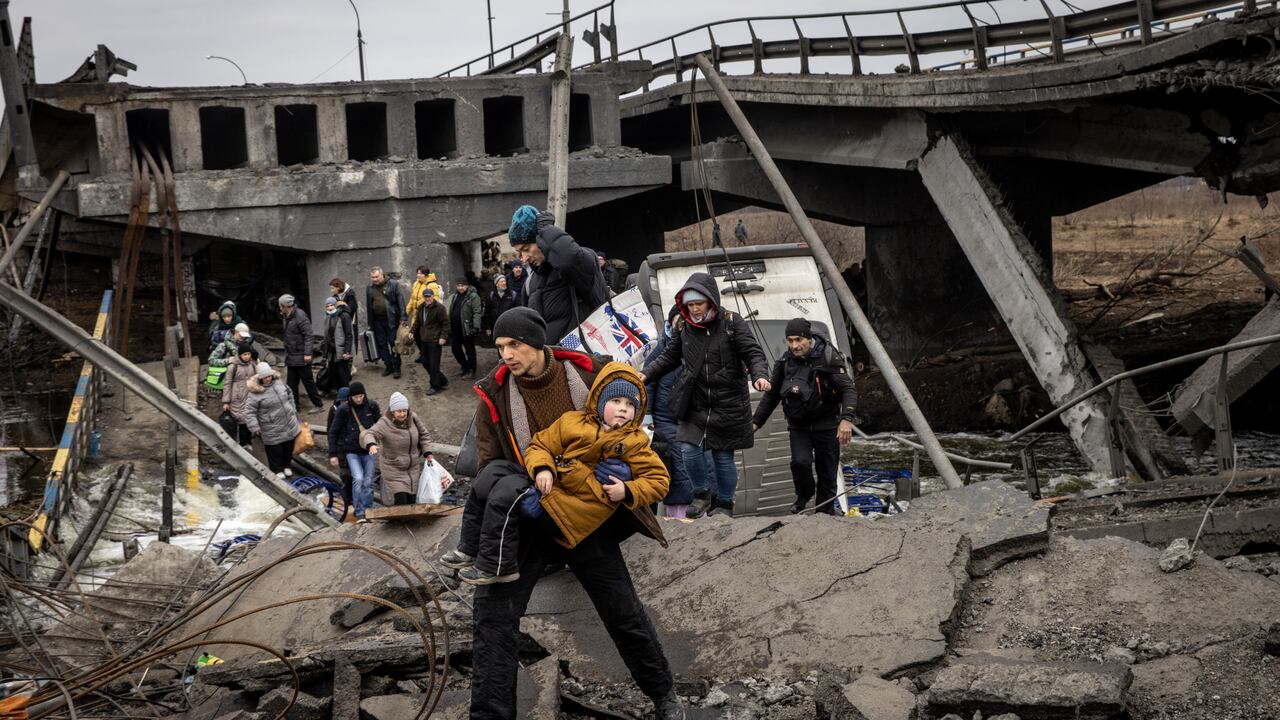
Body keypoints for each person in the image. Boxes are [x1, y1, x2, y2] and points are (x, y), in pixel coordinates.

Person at [444, 306, 683, 720]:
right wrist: (524, 486)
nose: (507, 355)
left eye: (514, 345)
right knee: (493, 613)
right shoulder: (495, 394)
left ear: (537, 342)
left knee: (621, 609)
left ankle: (664, 695)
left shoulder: (589, 374)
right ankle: (490, 714)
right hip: (530, 517)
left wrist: (623, 471)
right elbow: (488, 464)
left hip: (585, 516)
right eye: (500, 347)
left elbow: (637, 426)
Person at [442, 360, 668, 585]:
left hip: (575, 508)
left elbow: (660, 481)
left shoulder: (634, 443)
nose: (622, 408)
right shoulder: (574, 422)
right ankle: (468, 548)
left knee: (507, 495)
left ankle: (496, 566)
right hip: (552, 486)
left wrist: (627, 489)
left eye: (630, 404)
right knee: (490, 474)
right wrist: (543, 468)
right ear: (599, 399)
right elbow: (540, 445)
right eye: (616, 400)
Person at [640, 272, 771, 519]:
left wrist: (759, 375)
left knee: (723, 457)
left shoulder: (732, 322)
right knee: (689, 450)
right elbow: (668, 357)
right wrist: (645, 375)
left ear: (711, 301)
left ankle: (725, 502)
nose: (695, 309)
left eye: (698, 304)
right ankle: (701, 494)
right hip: (696, 402)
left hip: (728, 403)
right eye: (690, 305)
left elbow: (753, 352)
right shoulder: (685, 327)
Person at [752, 317, 858, 515]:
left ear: (808, 339)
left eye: (799, 340)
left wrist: (846, 419)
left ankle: (824, 514)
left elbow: (848, 390)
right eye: (790, 341)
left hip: (826, 424)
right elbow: (771, 396)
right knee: (800, 463)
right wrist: (755, 423)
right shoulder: (784, 363)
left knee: (827, 473)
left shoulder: (827, 358)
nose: (795, 345)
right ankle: (804, 495)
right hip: (799, 426)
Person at [507, 205, 608, 344]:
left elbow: (569, 258)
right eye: (519, 253)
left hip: (586, 360)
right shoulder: (529, 284)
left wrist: (546, 231)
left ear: (541, 240)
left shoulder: (581, 263)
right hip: (553, 363)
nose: (523, 259)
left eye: (526, 249)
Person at [645, 305, 694, 519]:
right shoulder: (661, 350)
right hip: (666, 422)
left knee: (703, 468)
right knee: (679, 471)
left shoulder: (701, 345)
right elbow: (646, 385)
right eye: (679, 322)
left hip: (696, 421)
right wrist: (648, 421)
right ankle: (678, 517)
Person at [361, 391, 432, 506]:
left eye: (404, 411)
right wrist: (371, 444)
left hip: (412, 467)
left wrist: (427, 451)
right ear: (392, 412)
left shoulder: (413, 418)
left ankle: (409, 521)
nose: (402, 414)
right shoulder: (385, 423)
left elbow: (424, 435)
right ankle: (399, 522)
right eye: (399, 411)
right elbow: (370, 434)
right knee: (401, 498)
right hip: (393, 468)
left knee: (412, 500)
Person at [329, 381, 383, 522]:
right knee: (358, 479)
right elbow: (333, 432)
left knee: (369, 481)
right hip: (351, 451)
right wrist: (333, 454)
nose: (358, 399)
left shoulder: (372, 406)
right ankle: (359, 512)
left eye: (360, 396)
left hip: (368, 450)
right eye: (355, 397)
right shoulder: (344, 410)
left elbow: (382, 426)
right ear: (350, 397)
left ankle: (368, 510)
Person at [244, 361, 301, 477]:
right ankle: (277, 470)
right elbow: (249, 412)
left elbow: (290, 395)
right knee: (275, 450)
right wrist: (254, 427)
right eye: (265, 377)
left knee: (288, 447)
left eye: (269, 376)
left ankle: (286, 465)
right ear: (260, 378)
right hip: (271, 426)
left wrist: (293, 410)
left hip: (288, 422)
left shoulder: (280, 383)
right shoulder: (255, 393)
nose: (267, 379)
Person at [278, 294, 324, 412]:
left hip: (302, 357)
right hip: (292, 356)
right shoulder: (286, 316)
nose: (279, 308)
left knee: (308, 382)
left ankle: (318, 405)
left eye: (280, 306)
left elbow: (309, 336)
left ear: (285, 306)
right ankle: (294, 406)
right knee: (291, 384)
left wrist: (308, 353)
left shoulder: (300, 317)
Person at [366, 266, 406, 379]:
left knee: (393, 344)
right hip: (377, 321)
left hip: (391, 319)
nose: (375, 279)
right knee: (381, 344)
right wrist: (370, 323)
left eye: (377, 276)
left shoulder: (393, 284)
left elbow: (401, 301)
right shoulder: (369, 288)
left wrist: (403, 317)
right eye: (372, 277)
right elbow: (369, 306)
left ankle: (397, 367)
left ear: (382, 274)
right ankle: (389, 365)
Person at [410, 287, 451, 394]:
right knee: (424, 361)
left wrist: (443, 337)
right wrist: (412, 331)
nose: (427, 298)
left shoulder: (440, 308)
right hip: (424, 339)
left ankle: (435, 386)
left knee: (434, 364)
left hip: (435, 340)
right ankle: (442, 380)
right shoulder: (421, 307)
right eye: (426, 296)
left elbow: (445, 324)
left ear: (433, 296)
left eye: (429, 296)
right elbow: (417, 322)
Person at [220, 341, 258, 447]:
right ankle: (242, 442)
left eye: (248, 354)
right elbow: (227, 384)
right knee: (240, 419)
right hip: (237, 396)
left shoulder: (253, 365)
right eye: (245, 354)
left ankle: (248, 441)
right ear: (240, 355)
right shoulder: (233, 367)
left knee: (250, 417)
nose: (247, 356)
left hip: (250, 395)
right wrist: (226, 401)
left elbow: (257, 379)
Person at [450, 277, 483, 379]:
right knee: (455, 348)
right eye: (459, 285)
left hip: (467, 328)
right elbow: (452, 309)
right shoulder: (455, 296)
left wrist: (476, 326)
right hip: (455, 328)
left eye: (463, 285)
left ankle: (471, 370)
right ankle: (464, 366)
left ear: (467, 286)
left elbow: (477, 312)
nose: (460, 288)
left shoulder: (473, 296)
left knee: (469, 350)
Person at [404, 266, 442, 347]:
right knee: (416, 337)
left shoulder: (432, 285)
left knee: (424, 338)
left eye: (420, 273)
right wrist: (405, 314)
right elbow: (412, 300)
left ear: (425, 274)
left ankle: (426, 355)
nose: (418, 275)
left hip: (427, 316)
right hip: (416, 316)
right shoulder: (416, 284)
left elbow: (435, 301)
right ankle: (423, 354)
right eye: (417, 273)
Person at [322, 295, 354, 391]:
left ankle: (346, 394)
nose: (330, 308)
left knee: (343, 375)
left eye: (332, 305)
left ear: (336, 305)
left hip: (341, 351)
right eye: (327, 306)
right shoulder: (327, 316)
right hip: (331, 351)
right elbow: (327, 335)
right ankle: (337, 393)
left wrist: (347, 351)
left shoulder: (344, 316)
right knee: (333, 373)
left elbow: (349, 335)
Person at [208, 322, 276, 367]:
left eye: (245, 336)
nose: (243, 338)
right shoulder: (223, 345)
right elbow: (211, 361)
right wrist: (228, 360)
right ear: (236, 332)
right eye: (241, 336)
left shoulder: (246, 344)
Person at [484, 275, 518, 339]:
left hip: (510, 326)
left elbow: (517, 312)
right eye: (501, 282)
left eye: (504, 281)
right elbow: (487, 313)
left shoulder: (513, 295)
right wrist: (487, 327)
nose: (504, 283)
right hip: (496, 326)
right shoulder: (491, 296)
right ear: (496, 284)